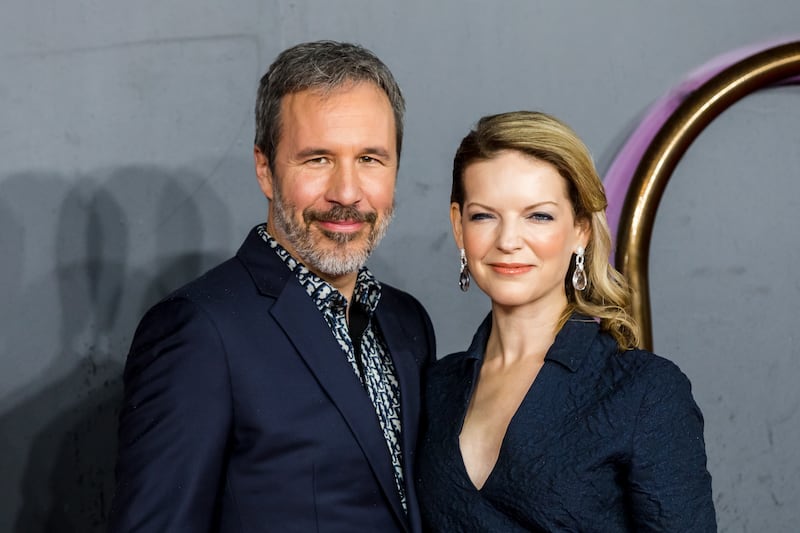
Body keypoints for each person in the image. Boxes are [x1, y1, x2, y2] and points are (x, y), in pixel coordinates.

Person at [108, 40, 435, 533]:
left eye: (370, 159)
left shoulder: (407, 321)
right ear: (265, 169)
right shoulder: (200, 332)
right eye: (318, 159)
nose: (347, 193)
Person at [416, 111, 716, 531]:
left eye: (538, 215)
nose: (508, 240)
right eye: (484, 215)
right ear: (458, 225)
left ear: (580, 230)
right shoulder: (432, 387)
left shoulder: (645, 390)